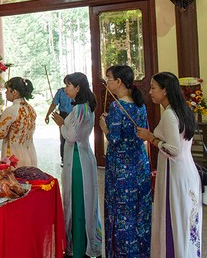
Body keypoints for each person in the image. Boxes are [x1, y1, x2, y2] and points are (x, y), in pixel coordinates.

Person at [136, 72, 202, 257]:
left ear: (165, 90)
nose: (150, 92)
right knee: (185, 220)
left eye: (153, 88)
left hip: (176, 174)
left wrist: (151, 138)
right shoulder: (182, 110)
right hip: (187, 171)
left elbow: (174, 150)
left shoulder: (170, 115)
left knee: (175, 220)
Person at [99, 65, 151, 257]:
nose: (107, 83)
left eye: (109, 79)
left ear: (118, 82)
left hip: (121, 169)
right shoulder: (140, 105)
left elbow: (114, 138)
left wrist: (104, 126)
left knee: (121, 215)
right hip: (139, 164)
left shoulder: (117, 106)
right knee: (139, 212)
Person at [51, 72, 103, 258]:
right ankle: (78, 245)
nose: (65, 89)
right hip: (82, 156)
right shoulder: (84, 107)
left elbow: (72, 136)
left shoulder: (80, 108)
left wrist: (61, 124)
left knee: (78, 202)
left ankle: (80, 247)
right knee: (81, 200)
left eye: (68, 86)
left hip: (78, 159)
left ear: (78, 88)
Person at [0, 77, 37, 166]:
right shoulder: (31, 109)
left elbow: (0, 134)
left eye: (8, 90)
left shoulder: (11, 110)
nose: (6, 92)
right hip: (30, 154)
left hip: (14, 157)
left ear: (14, 92)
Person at [44, 86, 73, 164]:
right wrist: (47, 115)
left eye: (69, 84)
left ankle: (73, 158)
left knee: (73, 136)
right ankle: (64, 159)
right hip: (63, 116)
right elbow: (54, 104)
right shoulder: (60, 92)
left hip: (74, 116)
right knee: (63, 137)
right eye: (66, 84)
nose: (67, 87)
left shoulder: (76, 93)